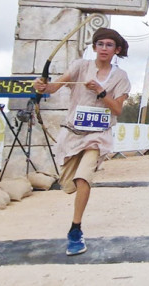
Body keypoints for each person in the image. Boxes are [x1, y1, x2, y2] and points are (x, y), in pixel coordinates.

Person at [33, 27, 131, 256]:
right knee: (69, 184)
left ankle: (75, 229)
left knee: (83, 176)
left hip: (98, 135)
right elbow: (53, 87)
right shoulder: (80, 66)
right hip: (74, 133)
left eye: (109, 45)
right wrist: (41, 86)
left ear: (116, 50)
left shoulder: (121, 77)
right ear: (94, 47)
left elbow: (117, 109)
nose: (104, 49)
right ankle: (76, 212)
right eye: (100, 44)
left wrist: (100, 90)